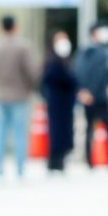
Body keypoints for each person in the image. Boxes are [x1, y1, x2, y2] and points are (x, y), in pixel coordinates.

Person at [0, 15, 38, 179]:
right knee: (19, 133)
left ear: (2, 27)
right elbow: (33, 72)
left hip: (0, 95)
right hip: (20, 95)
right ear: (15, 26)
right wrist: (30, 87)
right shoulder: (24, 47)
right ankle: (20, 169)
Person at [74, 21, 108, 169]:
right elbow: (100, 75)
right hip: (99, 96)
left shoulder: (82, 52)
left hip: (87, 96)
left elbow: (77, 73)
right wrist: (91, 93)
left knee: (89, 128)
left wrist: (82, 92)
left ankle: (89, 161)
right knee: (107, 128)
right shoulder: (102, 53)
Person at [41, 31, 78, 173]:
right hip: (56, 101)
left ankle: (60, 159)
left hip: (66, 102)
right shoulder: (52, 61)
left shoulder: (66, 60)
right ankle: (54, 160)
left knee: (64, 130)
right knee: (56, 131)